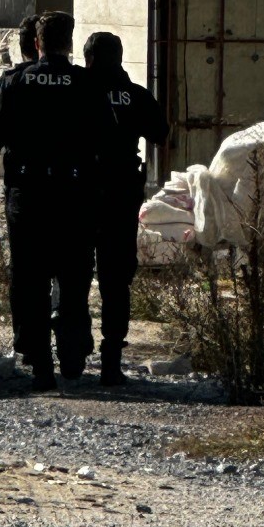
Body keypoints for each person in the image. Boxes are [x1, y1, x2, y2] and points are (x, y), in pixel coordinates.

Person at [0, 11, 115, 389]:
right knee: (74, 276)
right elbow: (108, 141)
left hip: (30, 195)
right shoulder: (87, 84)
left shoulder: (17, 82)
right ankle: (71, 353)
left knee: (30, 279)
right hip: (75, 196)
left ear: (36, 44)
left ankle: (39, 364)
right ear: (69, 43)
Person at [83, 31, 169, 388]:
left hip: (80, 192)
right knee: (116, 281)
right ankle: (110, 362)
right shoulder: (135, 95)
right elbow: (161, 133)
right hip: (120, 195)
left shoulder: (77, 91)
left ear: (88, 59)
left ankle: (73, 354)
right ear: (119, 58)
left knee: (74, 273)